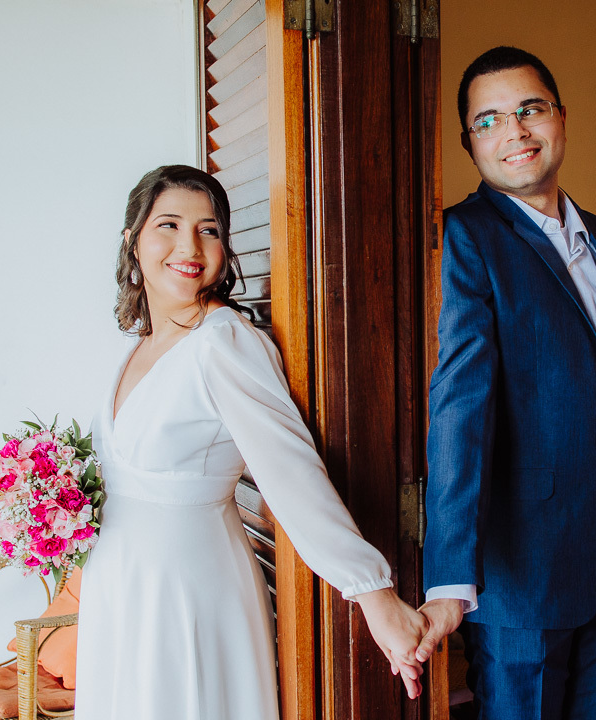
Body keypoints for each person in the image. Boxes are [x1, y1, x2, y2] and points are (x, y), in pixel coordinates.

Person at [75, 165, 426, 719]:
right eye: (169, 225)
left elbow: (290, 473)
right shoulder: (140, 344)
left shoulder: (224, 341)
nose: (190, 246)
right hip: (120, 585)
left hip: (189, 587)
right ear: (132, 240)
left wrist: (373, 593)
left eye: (209, 230)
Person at [414, 47, 596, 718]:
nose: (514, 131)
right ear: (469, 142)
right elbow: (460, 408)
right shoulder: (463, 238)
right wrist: (450, 578)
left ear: (561, 117)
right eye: (489, 120)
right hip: (522, 574)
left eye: (530, 110)